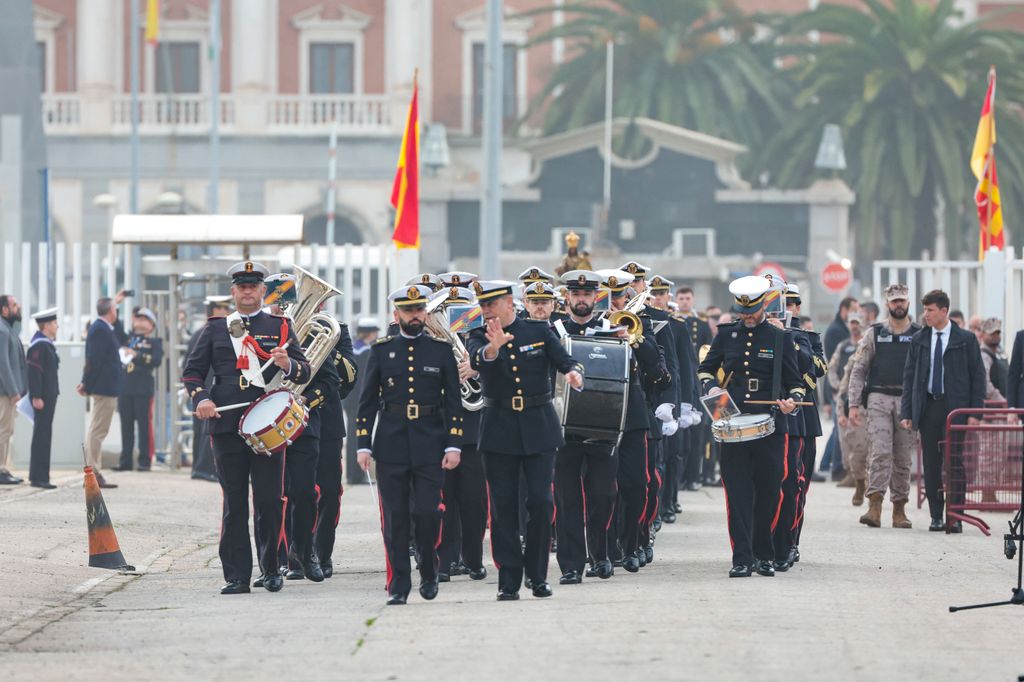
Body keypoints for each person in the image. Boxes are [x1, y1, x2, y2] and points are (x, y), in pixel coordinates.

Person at [183, 261, 311, 595]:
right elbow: (192, 373)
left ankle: (270, 570)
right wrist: (202, 399)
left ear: (263, 291)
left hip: (267, 425)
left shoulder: (281, 326)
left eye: (254, 286)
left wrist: (289, 364)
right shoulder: (214, 329)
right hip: (226, 424)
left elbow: (304, 372)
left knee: (269, 501)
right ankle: (237, 576)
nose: (248, 291)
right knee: (235, 502)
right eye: (242, 286)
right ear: (234, 292)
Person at [466, 280, 584, 600]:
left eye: (492, 305)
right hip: (499, 428)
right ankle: (509, 578)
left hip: (538, 426)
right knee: (503, 509)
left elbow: (563, 359)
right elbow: (478, 359)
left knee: (542, 504)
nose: (487, 310)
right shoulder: (477, 335)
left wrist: (574, 372)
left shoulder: (537, 331)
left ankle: (538, 574)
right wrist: (494, 348)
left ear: (509, 303)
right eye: (483, 306)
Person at [356, 284, 463, 605]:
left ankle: (429, 569)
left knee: (428, 512)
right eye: (408, 311)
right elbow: (367, 403)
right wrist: (363, 445)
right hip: (391, 443)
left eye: (419, 310)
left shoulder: (441, 351)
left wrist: (454, 443)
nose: (415, 316)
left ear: (426, 313)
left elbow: (454, 404)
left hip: (431, 442)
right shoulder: (381, 350)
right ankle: (399, 586)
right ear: (396, 315)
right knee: (396, 517)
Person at [698, 276, 804, 577]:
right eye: (742, 310)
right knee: (738, 492)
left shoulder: (779, 337)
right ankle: (742, 558)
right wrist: (717, 400)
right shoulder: (727, 334)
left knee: (771, 491)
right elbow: (706, 370)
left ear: (762, 306)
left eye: (751, 310)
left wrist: (791, 400)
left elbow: (795, 382)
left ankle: (764, 554)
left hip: (770, 423)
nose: (745, 316)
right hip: (733, 423)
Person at [901, 289, 986, 533]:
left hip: (956, 409)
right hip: (929, 407)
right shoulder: (919, 339)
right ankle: (937, 515)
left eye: (930, 310)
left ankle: (956, 515)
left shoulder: (966, 339)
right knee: (932, 463)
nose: (925, 314)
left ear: (944, 311)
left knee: (955, 463)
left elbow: (977, 378)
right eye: (925, 309)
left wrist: (975, 413)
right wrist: (907, 412)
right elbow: (909, 378)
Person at [847, 284, 920, 529]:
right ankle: (874, 505)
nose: (898, 305)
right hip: (878, 397)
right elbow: (859, 370)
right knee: (880, 451)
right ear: (887, 304)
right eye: (894, 301)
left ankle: (899, 508)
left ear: (908, 302)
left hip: (907, 400)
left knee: (902, 456)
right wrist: (853, 403)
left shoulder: (919, 334)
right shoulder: (874, 334)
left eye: (902, 301)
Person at [78, 297, 126, 489]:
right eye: (116, 308)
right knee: (97, 431)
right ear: (111, 310)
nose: (117, 312)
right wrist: (86, 383)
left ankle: (93, 472)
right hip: (103, 388)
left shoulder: (105, 328)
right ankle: (93, 474)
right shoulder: (99, 329)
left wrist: (86, 383)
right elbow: (93, 360)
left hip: (106, 387)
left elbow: (122, 338)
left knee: (97, 430)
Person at [187, 296, 232, 482]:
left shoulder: (201, 331)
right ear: (212, 311)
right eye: (222, 309)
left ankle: (198, 468)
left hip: (202, 389)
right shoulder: (208, 332)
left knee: (200, 431)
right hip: (206, 389)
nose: (226, 312)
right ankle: (205, 469)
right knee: (206, 432)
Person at [827, 312, 869, 505]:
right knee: (851, 443)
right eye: (852, 323)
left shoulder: (871, 344)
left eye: (857, 323)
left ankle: (871, 485)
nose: (854, 326)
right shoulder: (845, 347)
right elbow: (835, 370)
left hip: (874, 403)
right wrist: (838, 393)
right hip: (852, 401)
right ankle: (857, 478)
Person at [115, 308, 164, 471]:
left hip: (143, 388)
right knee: (126, 426)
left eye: (145, 319)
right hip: (124, 387)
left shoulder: (154, 342)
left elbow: (156, 360)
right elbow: (116, 328)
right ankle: (125, 461)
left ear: (151, 325)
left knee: (144, 426)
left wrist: (137, 355)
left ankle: (144, 461)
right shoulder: (126, 339)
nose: (140, 321)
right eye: (138, 318)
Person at [821, 297, 860, 481]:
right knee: (840, 431)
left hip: (857, 394)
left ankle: (845, 469)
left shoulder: (863, 342)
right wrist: (839, 389)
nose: (854, 326)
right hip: (840, 394)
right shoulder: (838, 337)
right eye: (852, 312)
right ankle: (838, 469)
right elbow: (831, 367)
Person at [343, 317, 380, 485]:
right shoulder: (366, 351)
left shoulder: (353, 348)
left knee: (353, 437)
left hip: (350, 400)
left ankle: (353, 474)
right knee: (358, 437)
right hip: (359, 400)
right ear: (370, 333)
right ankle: (357, 475)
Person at [26, 308, 59, 488]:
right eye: (54, 323)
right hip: (42, 399)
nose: (57, 326)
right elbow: (34, 372)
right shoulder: (39, 345)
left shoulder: (46, 343)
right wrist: (36, 396)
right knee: (41, 436)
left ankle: (41, 476)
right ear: (46, 326)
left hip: (48, 397)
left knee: (45, 435)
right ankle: (39, 477)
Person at [0, 295, 26, 485]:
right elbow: (3, 364)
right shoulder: (2, 330)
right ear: (4, 310)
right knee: (3, 430)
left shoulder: (8, 328)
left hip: (7, 391)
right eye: (15, 305)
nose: (19, 307)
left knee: (7, 430)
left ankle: (4, 468)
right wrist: (12, 390)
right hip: (4, 392)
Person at [979, 318, 1008, 401]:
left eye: (997, 333)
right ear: (983, 334)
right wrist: (1001, 401)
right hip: (992, 408)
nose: (995, 335)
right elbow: (985, 384)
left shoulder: (1001, 353)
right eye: (991, 333)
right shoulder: (984, 355)